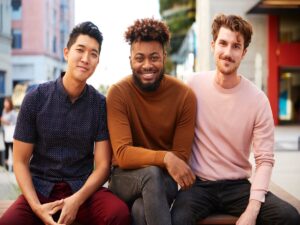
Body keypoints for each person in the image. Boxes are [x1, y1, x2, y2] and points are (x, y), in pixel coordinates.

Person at [171, 14, 300, 225]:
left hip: (238, 187)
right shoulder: (192, 86)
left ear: (244, 52)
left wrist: (251, 211)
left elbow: (264, 160)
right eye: (223, 43)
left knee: (290, 217)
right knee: (177, 219)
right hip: (198, 185)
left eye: (236, 46)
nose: (228, 53)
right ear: (213, 45)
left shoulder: (258, 100)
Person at [0, 21, 130, 225]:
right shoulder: (35, 99)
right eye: (80, 50)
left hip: (82, 191)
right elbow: (20, 161)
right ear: (66, 53)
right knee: (9, 222)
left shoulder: (99, 105)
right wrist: (36, 208)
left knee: (118, 214)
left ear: (97, 62)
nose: (86, 59)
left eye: (93, 54)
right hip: (40, 190)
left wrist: (76, 200)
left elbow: (103, 165)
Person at [106, 18, 197, 225]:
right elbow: (122, 154)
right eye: (139, 58)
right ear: (130, 59)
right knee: (150, 174)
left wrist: (168, 161)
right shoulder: (118, 93)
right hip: (124, 178)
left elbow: (181, 158)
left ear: (164, 57)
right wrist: (165, 158)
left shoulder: (184, 96)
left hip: (165, 181)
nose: (147, 65)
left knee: (140, 210)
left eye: (154, 57)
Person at [0, 96, 18, 170]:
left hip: (11, 134)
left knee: (13, 149)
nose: (5, 103)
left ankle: (15, 166)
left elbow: (14, 123)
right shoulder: (4, 110)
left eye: (6, 102)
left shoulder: (13, 113)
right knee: (6, 149)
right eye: (4, 102)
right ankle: (7, 166)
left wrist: (5, 121)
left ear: (10, 103)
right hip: (6, 133)